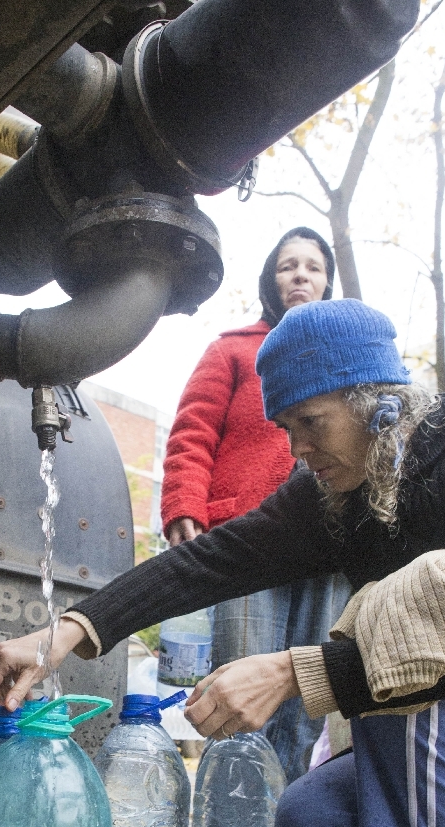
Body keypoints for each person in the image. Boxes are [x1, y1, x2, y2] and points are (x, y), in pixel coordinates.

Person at [0, 298, 445, 827]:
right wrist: (70, 630)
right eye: (287, 429)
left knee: (406, 623)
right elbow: (215, 559)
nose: (299, 450)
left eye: (312, 423)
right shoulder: (340, 493)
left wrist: (300, 670)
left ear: (380, 403)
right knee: (311, 822)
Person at [161, 226, 350, 786]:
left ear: (326, 282)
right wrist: (183, 503)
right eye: (288, 265)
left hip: (328, 548)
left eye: (313, 267)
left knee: (305, 700)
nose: (300, 275)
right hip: (250, 540)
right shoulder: (234, 349)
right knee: (240, 693)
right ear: (271, 279)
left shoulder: (342, 361)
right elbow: (192, 431)